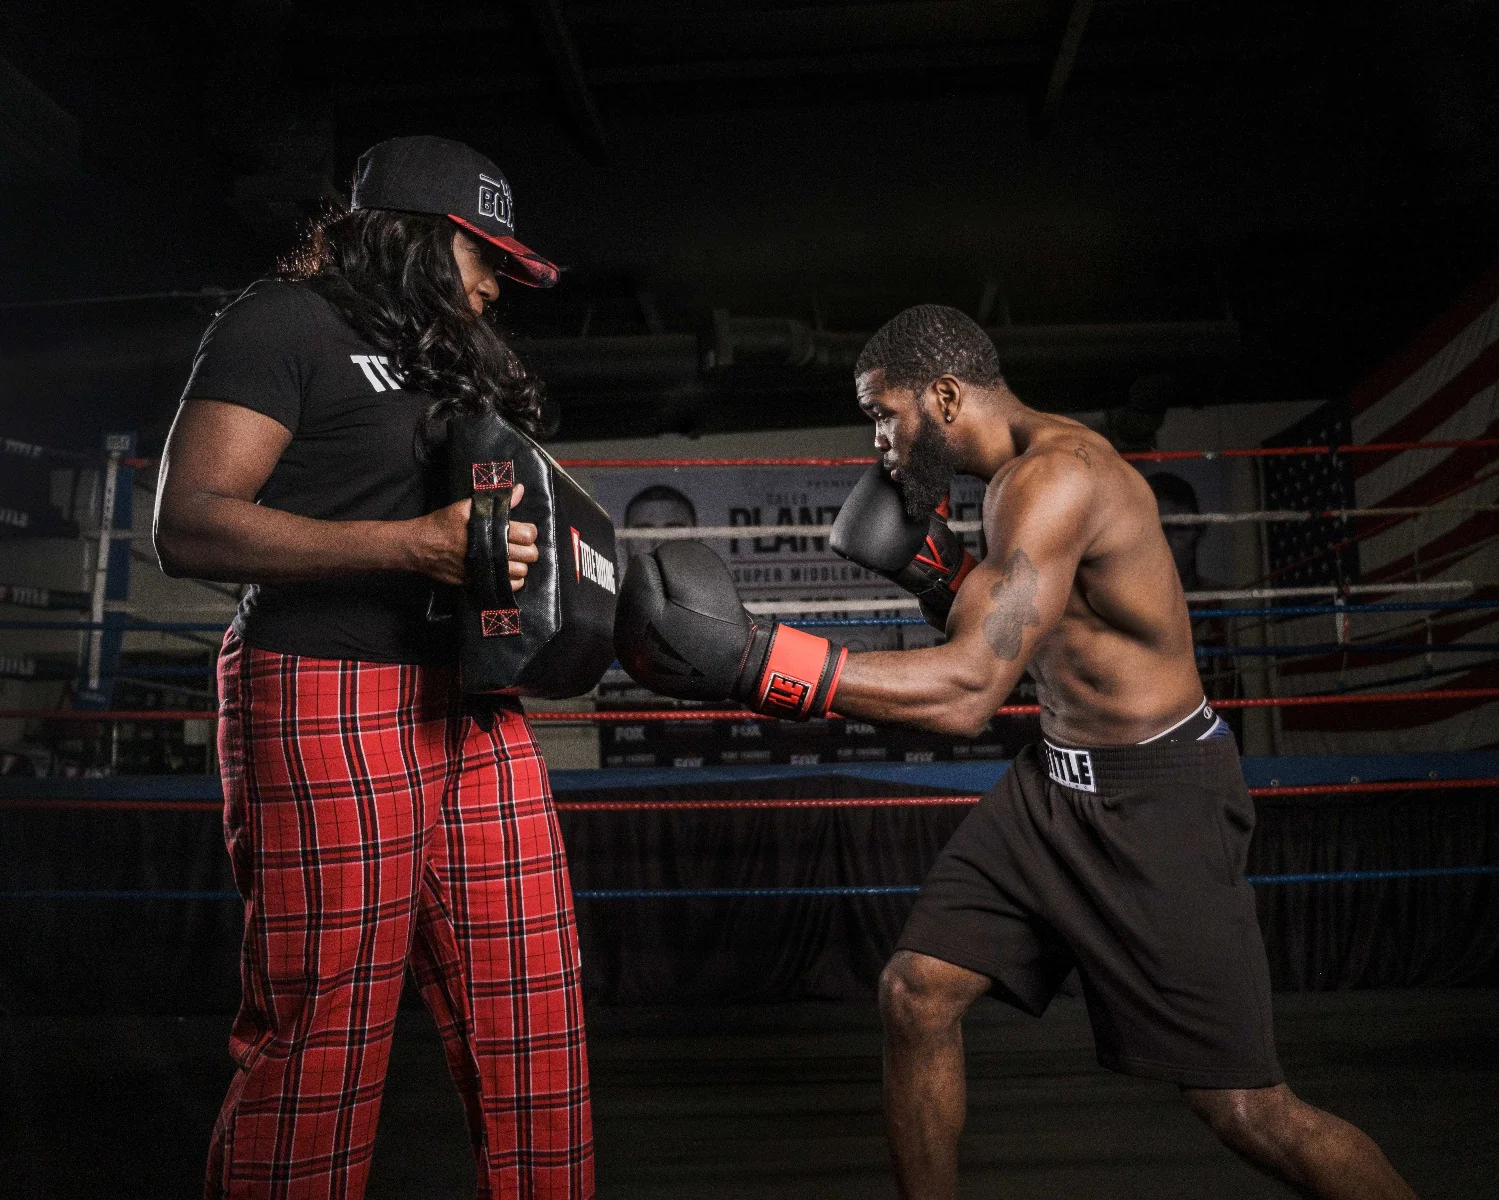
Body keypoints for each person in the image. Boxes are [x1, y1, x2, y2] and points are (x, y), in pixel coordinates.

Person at [613, 305, 1414, 1199]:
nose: (877, 439)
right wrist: (940, 574)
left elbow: (966, 693)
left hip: (1157, 802)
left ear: (945, 396)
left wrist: (761, 663)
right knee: (916, 994)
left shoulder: (1054, 479)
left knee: (1245, 1107)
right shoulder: (1012, 489)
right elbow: (1039, 631)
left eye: (885, 413)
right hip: (1054, 787)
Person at [154, 136, 593, 1199]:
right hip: (324, 689)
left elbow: (495, 534)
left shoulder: (456, 362)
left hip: (475, 702)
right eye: (479, 254)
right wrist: (411, 547)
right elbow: (191, 525)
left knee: (536, 1012)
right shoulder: (280, 323)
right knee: (324, 1032)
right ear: (407, 237)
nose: (496, 282)